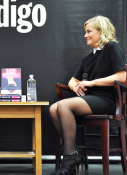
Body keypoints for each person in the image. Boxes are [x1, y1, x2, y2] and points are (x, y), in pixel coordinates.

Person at [49, 15, 126, 175]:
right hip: (90, 100)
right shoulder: (88, 57)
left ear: (101, 31)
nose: (85, 35)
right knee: (53, 108)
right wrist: (75, 86)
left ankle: (69, 157)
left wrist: (91, 83)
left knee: (63, 105)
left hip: (109, 100)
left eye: (89, 31)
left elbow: (121, 76)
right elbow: (72, 80)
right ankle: (75, 154)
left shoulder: (112, 47)